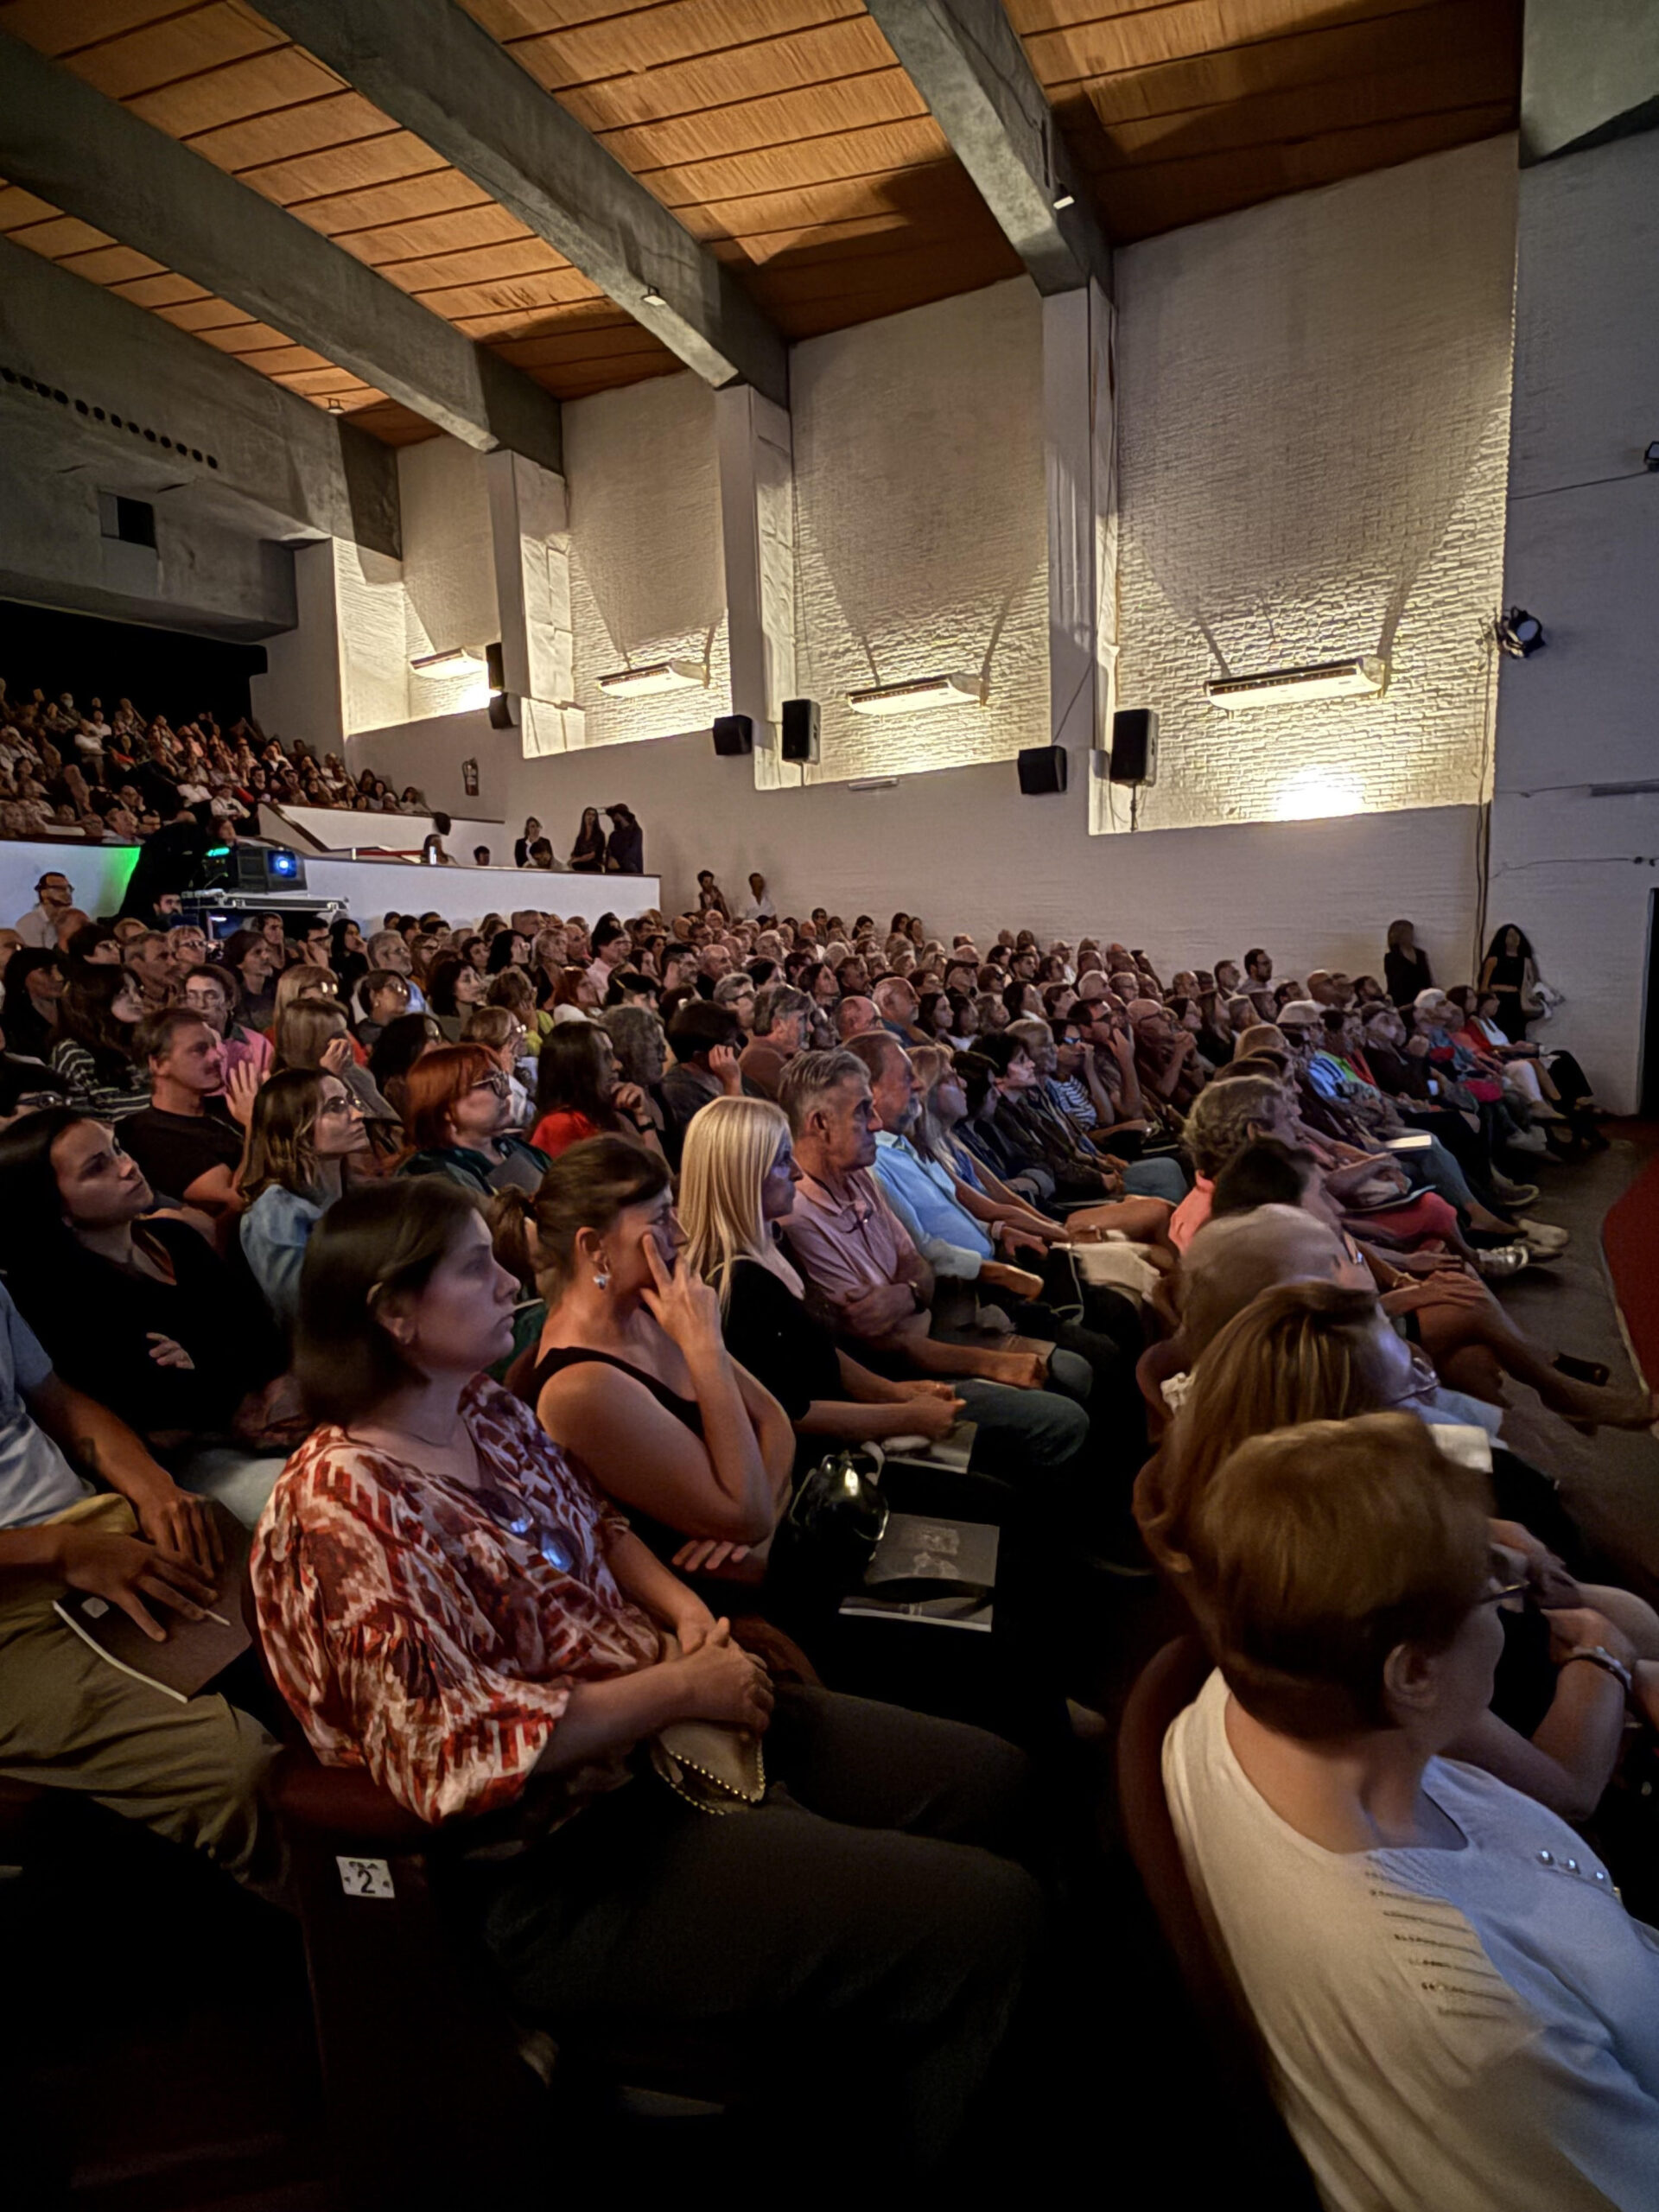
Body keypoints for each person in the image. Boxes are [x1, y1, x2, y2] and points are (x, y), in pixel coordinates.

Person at [251, 1178, 1039, 2175]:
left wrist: (689, 1619)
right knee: (989, 1918)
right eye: (472, 1267)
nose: (507, 1282)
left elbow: (599, 1526)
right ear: (393, 1315)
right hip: (562, 1857)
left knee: (993, 1780)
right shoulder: (336, 1513)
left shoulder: (483, 1407)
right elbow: (449, 1749)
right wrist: (681, 1689)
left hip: (664, 1720)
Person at [1163, 1412, 1659, 2210]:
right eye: (1492, 1586)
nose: (1511, 1606)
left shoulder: (1245, 1693)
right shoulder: (1488, 2029)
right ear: (1414, 1674)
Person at [0, 1274, 274, 1877]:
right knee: (240, 1772)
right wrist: (56, 1550)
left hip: (89, 1527)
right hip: (18, 1601)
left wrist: (152, 1488)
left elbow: (55, 1398)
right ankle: (376, 1943)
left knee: (315, 1625)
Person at [778, 1052, 1090, 1483]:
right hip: (902, 1376)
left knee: (1079, 1368)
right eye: (861, 1111)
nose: (874, 1124)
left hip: (937, 1331)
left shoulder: (860, 1178)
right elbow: (885, 1341)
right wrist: (987, 1360)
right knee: (1064, 1412)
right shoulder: (797, 1214)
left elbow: (919, 1266)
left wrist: (907, 1293)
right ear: (819, 1123)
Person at [525, 1136, 796, 1573]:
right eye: (659, 1220)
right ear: (595, 1247)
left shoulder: (651, 1308)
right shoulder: (580, 1387)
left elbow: (776, 1422)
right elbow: (744, 1512)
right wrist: (705, 1349)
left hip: (765, 1561)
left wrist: (761, 1528)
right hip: (716, 1611)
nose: (682, 1234)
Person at [679, 1095, 968, 1459]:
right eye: (784, 1162)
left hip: (863, 1421)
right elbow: (793, 1412)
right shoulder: (736, 1283)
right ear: (744, 1175)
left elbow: (816, 1349)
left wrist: (897, 1393)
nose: (798, 1173)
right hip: (824, 1458)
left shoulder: (772, 1242)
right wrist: (906, 1415)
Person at [0, 1109, 287, 1452]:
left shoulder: (176, 1237)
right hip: (197, 1460)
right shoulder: (64, 1299)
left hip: (269, 1415)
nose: (127, 1166)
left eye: (117, 1149)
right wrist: (225, 1382)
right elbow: (159, 1419)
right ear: (56, 1208)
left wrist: (211, 1366)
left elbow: (264, 1337)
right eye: (97, 1167)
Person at [238, 1069, 371, 1327]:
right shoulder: (274, 1209)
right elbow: (303, 1306)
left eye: (352, 1102)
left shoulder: (352, 1196)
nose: (358, 1114)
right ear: (295, 1126)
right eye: (336, 1107)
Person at [120, 1007, 251, 1213]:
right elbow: (236, 1200)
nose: (217, 1056)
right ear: (159, 1064)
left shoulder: (226, 1106)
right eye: (200, 1050)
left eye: (214, 1046)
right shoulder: (147, 1134)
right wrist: (254, 1126)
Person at [396, 1043, 548, 1195]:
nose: (506, 1091)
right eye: (491, 1083)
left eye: (501, 1079)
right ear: (446, 1108)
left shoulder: (508, 1147)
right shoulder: (434, 1178)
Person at [528, 1020, 662, 1162]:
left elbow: (662, 1177)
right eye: (605, 1057)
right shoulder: (559, 1126)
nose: (618, 1065)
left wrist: (644, 1119)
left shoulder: (612, 1118)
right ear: (578, 1068)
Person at [48, 963, 150, 1120]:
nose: (137, 1000)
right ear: (98, 997)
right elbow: (79, 1119)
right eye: (124, 992)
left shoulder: (147, 1041)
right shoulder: (73, 1052)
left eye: (137, 991)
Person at [1479, 923, 1540, 1043]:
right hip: (1498, 1002)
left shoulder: (1525, 961)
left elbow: (1531, 983)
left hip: (1515, 1003)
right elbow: (1484, 987)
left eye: (1516, 935)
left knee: (1516, 1035)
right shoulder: (1494, 960)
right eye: (1510, 935)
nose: (1514, 939)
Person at [15, 869, 74, 949]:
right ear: (43, 892)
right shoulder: (28, 922)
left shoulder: (75, 919)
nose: (67, 892)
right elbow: (38, 958)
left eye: (68, 888)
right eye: (59, 888)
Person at [603, 804, 643, 875]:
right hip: (615, 873)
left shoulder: (636, 832)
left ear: (618, 815)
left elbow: (633, 853)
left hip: (631, 872)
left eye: (614, 816)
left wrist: (619, 864)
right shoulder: (614, 835)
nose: (613, 819)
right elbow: (609, 854)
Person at [569, 806, 606, 873]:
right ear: (584, 817)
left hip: (593, 868)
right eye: (588, 814)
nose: (590, 817)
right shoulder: (580, 837)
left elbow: (592, 855)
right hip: (579, 868)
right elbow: (575, 853)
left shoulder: (599, 835)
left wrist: (576, 860)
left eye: (593, 815)